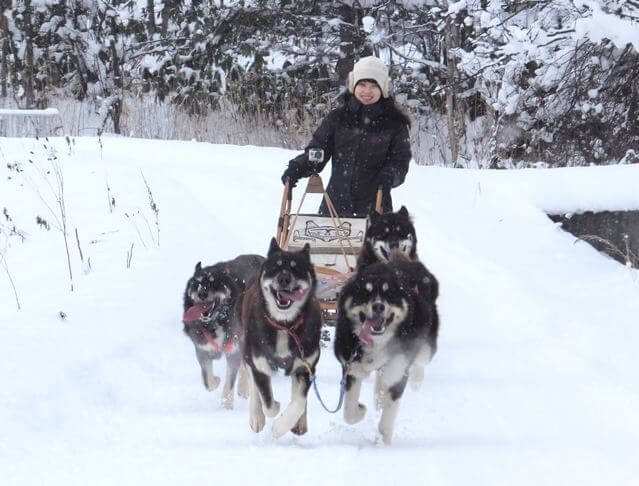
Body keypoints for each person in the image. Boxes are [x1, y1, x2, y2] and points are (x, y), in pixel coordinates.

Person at [281, 56, 412, 217]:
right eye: (362, 84)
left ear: (383, 89)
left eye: (373, 86)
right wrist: (297, 167)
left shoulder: (394, 124)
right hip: (335, 204)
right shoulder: (338, 118)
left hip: (376, 208)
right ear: (353, 85)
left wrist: (389, 176)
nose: (367, 91)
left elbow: (400, 163)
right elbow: (318, 152)